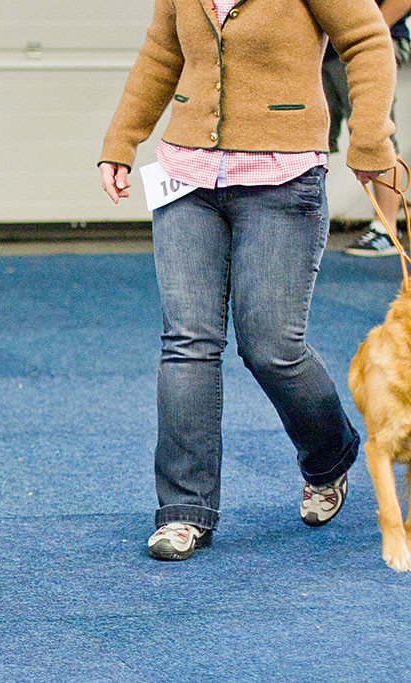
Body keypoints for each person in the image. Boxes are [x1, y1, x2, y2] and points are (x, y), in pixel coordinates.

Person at [98, 0, 396, 560]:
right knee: (188, 343)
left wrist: (370, 138)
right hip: (187, 178)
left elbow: (367, 41)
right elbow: (162, 53)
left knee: (272, 347)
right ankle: (184, 511)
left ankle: (329, 459)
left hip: (284, 178)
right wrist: (121, 140)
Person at [326, 0, 411, 256]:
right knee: (309, 137)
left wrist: (368, 35)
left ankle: (386, 229)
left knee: (375, 135)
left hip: (366, 43)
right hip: (321, 49)